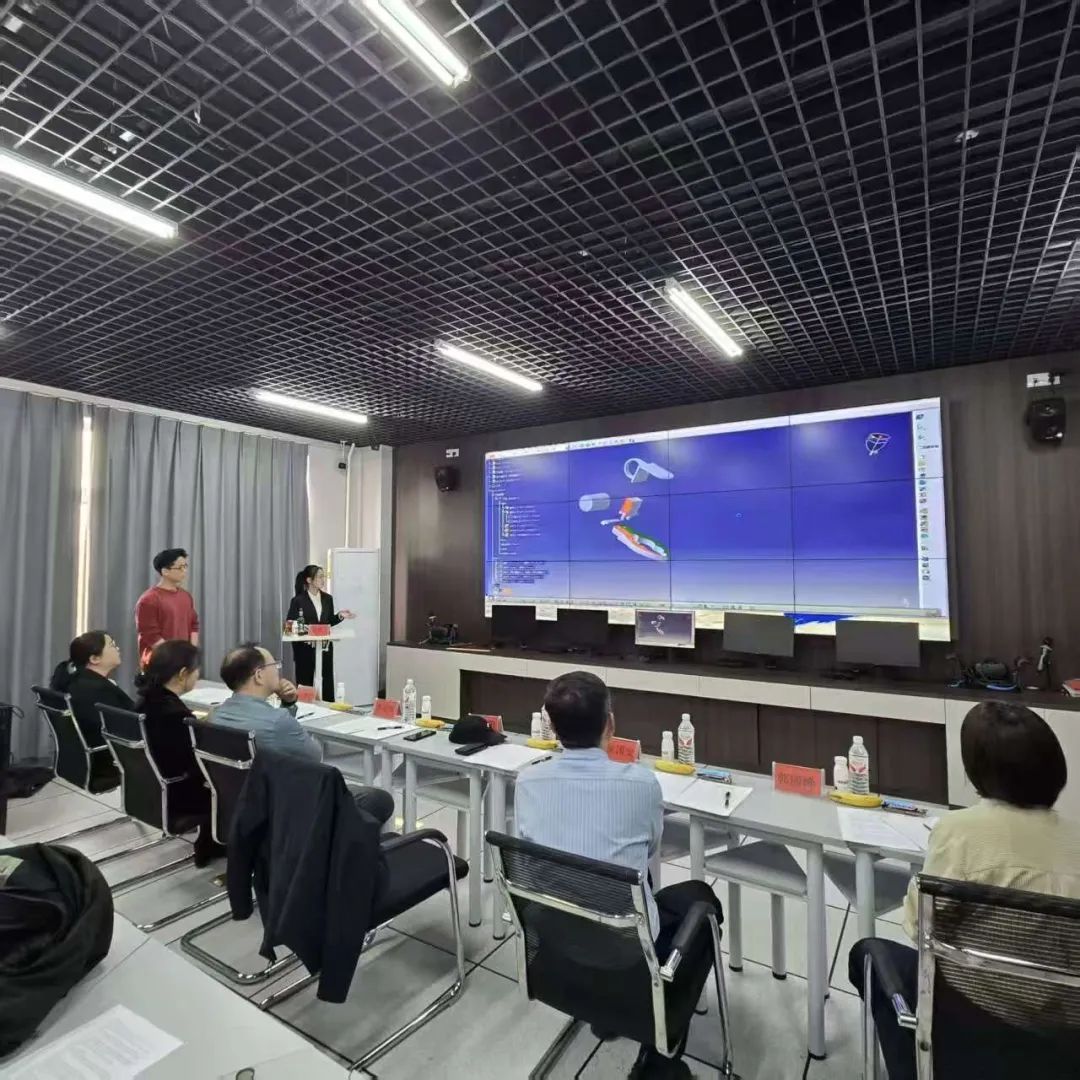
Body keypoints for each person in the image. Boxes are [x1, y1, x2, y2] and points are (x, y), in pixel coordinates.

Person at [849, 701, 1080, 1080]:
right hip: (1066, 1044)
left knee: (867, 954)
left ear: (978, 770)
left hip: (968, 1023)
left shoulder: (960, 831)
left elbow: (917, 925)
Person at [515, 671, 724, 1079]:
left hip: (554, 942)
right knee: (702, 902)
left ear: (551, 727)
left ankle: (604, 1011)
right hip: (628, 954)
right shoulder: (641, 783)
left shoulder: (527, 781)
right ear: (610, 723)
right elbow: (650, 850)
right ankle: (660, 1056)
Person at [213, 643, 393, 825]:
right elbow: (314, 756)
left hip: (242, 807)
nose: (277, 670)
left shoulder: (216, 715)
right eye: (274, 665)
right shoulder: (277, 721)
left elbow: (276, 735)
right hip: (285, 808)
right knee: (378, 799)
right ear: (259, 675)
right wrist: (287, 709)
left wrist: (287, 704)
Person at [132, 640, 224, 866]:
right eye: (196, 670)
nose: (198, 675)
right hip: (180, 794)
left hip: (148, 788)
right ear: (183, 674)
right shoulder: (175, 716)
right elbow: (196, 764)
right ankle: (216, 842)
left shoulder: (144, 702)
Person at [49, 631, 133, 747]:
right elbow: (123, 728)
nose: (118, 649)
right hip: (112, 752)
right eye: (112, 646)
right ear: (94, 659)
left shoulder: (78, 681)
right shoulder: (97, 690)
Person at [285, 565, 355, 701]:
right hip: (305, 648)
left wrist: (340, 616)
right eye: (320, 576)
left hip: (324, 646)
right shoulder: (298, 600)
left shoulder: (328, 599)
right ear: (309, 580)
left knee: (326, 679)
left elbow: (328, 622)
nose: (323, 579)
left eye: (324, 576)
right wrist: (305, 630)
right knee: (305, 680)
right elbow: (290, 625)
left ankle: (328, 707)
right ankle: (305, 707)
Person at [135, 548, 199, 667]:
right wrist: (173, 657)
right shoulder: (148, 600)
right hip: (159, 662)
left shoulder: (186, 596)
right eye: (180, 567)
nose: (184, 571)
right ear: (165, 571)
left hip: (182, 661)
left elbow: (193, 625)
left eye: (185, 566)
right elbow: (150, 635)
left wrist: (190, 652)